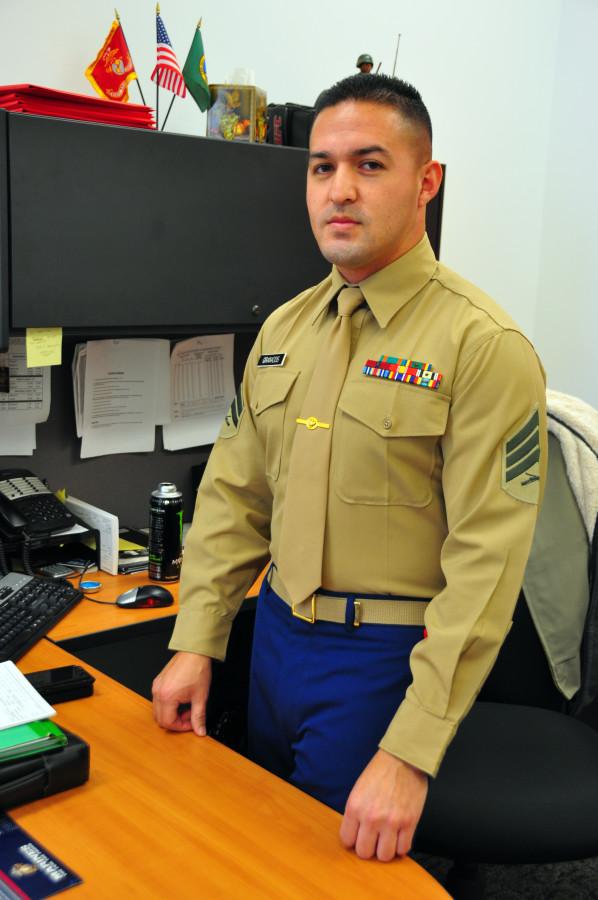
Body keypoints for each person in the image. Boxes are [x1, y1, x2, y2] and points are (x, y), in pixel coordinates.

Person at [153, 73, 547, 862]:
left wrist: (411, 751)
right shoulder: (284, 330)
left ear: (425, 182)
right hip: (274, 649)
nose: (340, 190)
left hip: (383, 667)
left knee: (331, 875)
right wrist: (196, 638)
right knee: (251, 859)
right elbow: (235, 498)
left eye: (370, 165)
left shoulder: (481, 346)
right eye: (322, 167)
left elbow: (486, 566)